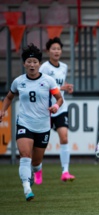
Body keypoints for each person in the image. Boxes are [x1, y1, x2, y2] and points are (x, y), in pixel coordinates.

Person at [0, 43, 63, 201]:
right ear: (24, 64)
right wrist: (3, 110)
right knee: (24, 155)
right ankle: (27, 188)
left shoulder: (48, 81)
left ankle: (36, 171)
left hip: (42, 126)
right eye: (29, 62)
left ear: (39, 64)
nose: (32, 65)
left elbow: (59, 98)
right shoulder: (18, 82)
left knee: (36, 162)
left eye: (35, 62)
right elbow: (9, 97)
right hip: (24, 123)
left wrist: (55, 106)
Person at [39, 37, 75, 183]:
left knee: (64, 137)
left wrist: (67, 87)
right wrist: (61, 88)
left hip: (60, 107)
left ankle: (65, 172)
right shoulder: (44, 68)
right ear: (48, 51)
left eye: (58, 49)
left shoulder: (64, 67)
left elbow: (60, 84)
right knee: (40, 143)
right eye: (53, 49)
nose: (56, 51)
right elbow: (41, 86)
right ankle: (38, 171)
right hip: (45, 109)